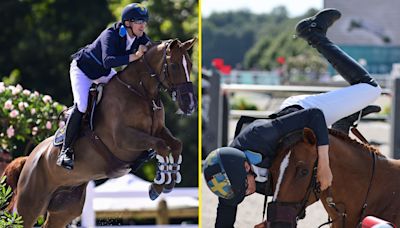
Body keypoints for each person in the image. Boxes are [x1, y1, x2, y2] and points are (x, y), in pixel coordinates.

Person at [203, 8, 382, 227]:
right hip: (291, 130)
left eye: (243, 188)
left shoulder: (259, 136)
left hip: (306, 111)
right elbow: (225, 219)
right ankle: (343, 123)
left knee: (371, 89)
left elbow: (314, 116)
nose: (243, 195)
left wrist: (324, 166)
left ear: (246, 168)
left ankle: (314, 34)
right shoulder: (228, 179)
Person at [57, 3, 152, 170]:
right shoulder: (111, 34)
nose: (143, 25)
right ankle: (66, 151)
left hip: (103, 73)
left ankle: (139, 145)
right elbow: (108, 60)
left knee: (127, 94)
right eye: (139, 21)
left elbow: (152, 50)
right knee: (82, 105)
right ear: (128, 23)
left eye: (144, 21)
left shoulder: (140, 36)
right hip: (83, 70)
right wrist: (135, 56)